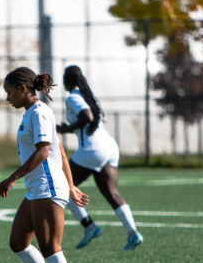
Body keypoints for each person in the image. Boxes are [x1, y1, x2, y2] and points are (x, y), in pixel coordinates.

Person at [0, 67, 88, 263]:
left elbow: (44, 152)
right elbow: (59, 150)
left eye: (10, 92)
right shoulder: (31, 114)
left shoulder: (40, 112)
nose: (8, 98)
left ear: (24, 89)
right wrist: (71, 185)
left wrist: (12, 178)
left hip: (47, 187)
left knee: (50, 248)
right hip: (39, 188)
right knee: (18, 242)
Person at [56, 65, 144, 250]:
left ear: (66, 81)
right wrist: (71, 128)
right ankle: (133, 233)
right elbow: (87, 123)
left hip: (93, 150)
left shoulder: (73, 97)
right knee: (111, 194)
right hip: (109, 147)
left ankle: (89, 226)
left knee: (64, 186)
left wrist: (65, 129)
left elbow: (86, 117)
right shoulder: (86, 95)